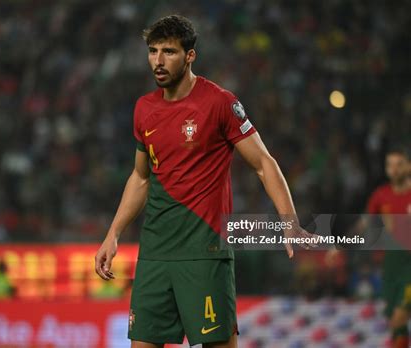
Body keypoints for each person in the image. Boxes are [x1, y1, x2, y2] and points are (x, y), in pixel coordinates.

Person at [95, 15, 315, 348]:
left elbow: (263, 164)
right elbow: (141, 177)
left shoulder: (219, 103)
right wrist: (113, 233)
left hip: (204, 252)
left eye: (168, 52)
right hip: (155, 254)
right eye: (153, 51)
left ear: (190, 55)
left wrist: (289, 220)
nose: (158, 60)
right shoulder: (143, 109)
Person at [367, 148, 411, 348]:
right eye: (389, 165)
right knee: (395, 324)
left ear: (408, 166)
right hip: (392, 266)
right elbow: (365, 222)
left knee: (399, 317)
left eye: (398, 164)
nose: (393, 169)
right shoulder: (381, 195)